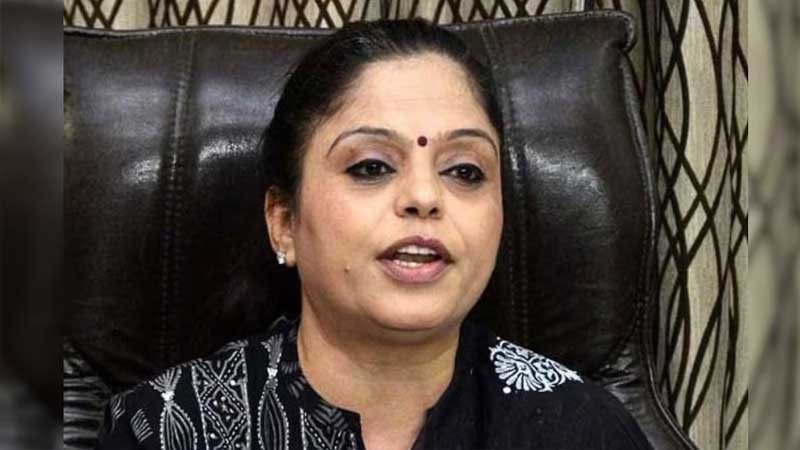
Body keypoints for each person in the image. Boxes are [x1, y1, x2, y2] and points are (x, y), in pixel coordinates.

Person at [97, 18, 654, 450]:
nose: (424, 196)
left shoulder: (581, 430)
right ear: (284, 222)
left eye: (465, 171)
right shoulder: (169, 428)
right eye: (371, 166)